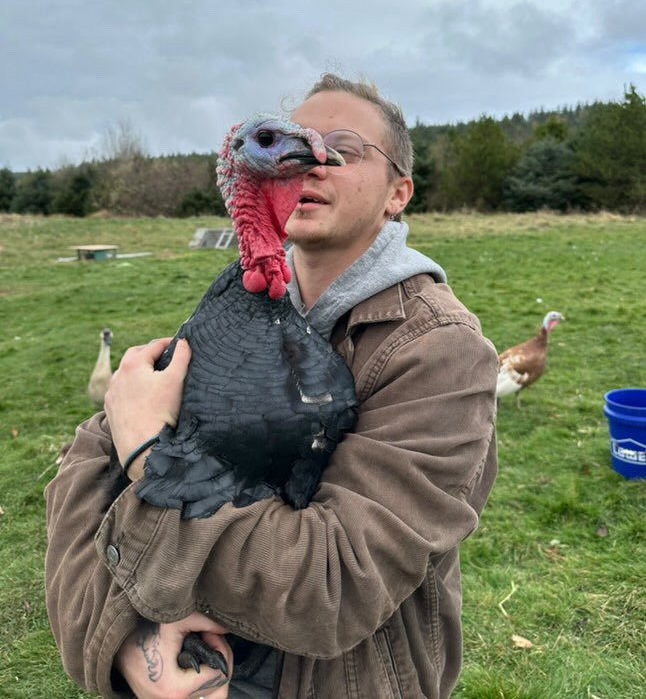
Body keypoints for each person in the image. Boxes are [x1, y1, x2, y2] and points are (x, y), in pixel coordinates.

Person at [45, 73, 498, 699]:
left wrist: (151, 455)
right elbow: (79, 480)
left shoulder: (439, 350)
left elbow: (334, 585)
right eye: (298, 143)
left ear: (399, 192)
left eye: (344, 147)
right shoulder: (238, 309)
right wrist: (126, 642)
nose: (312, 163)